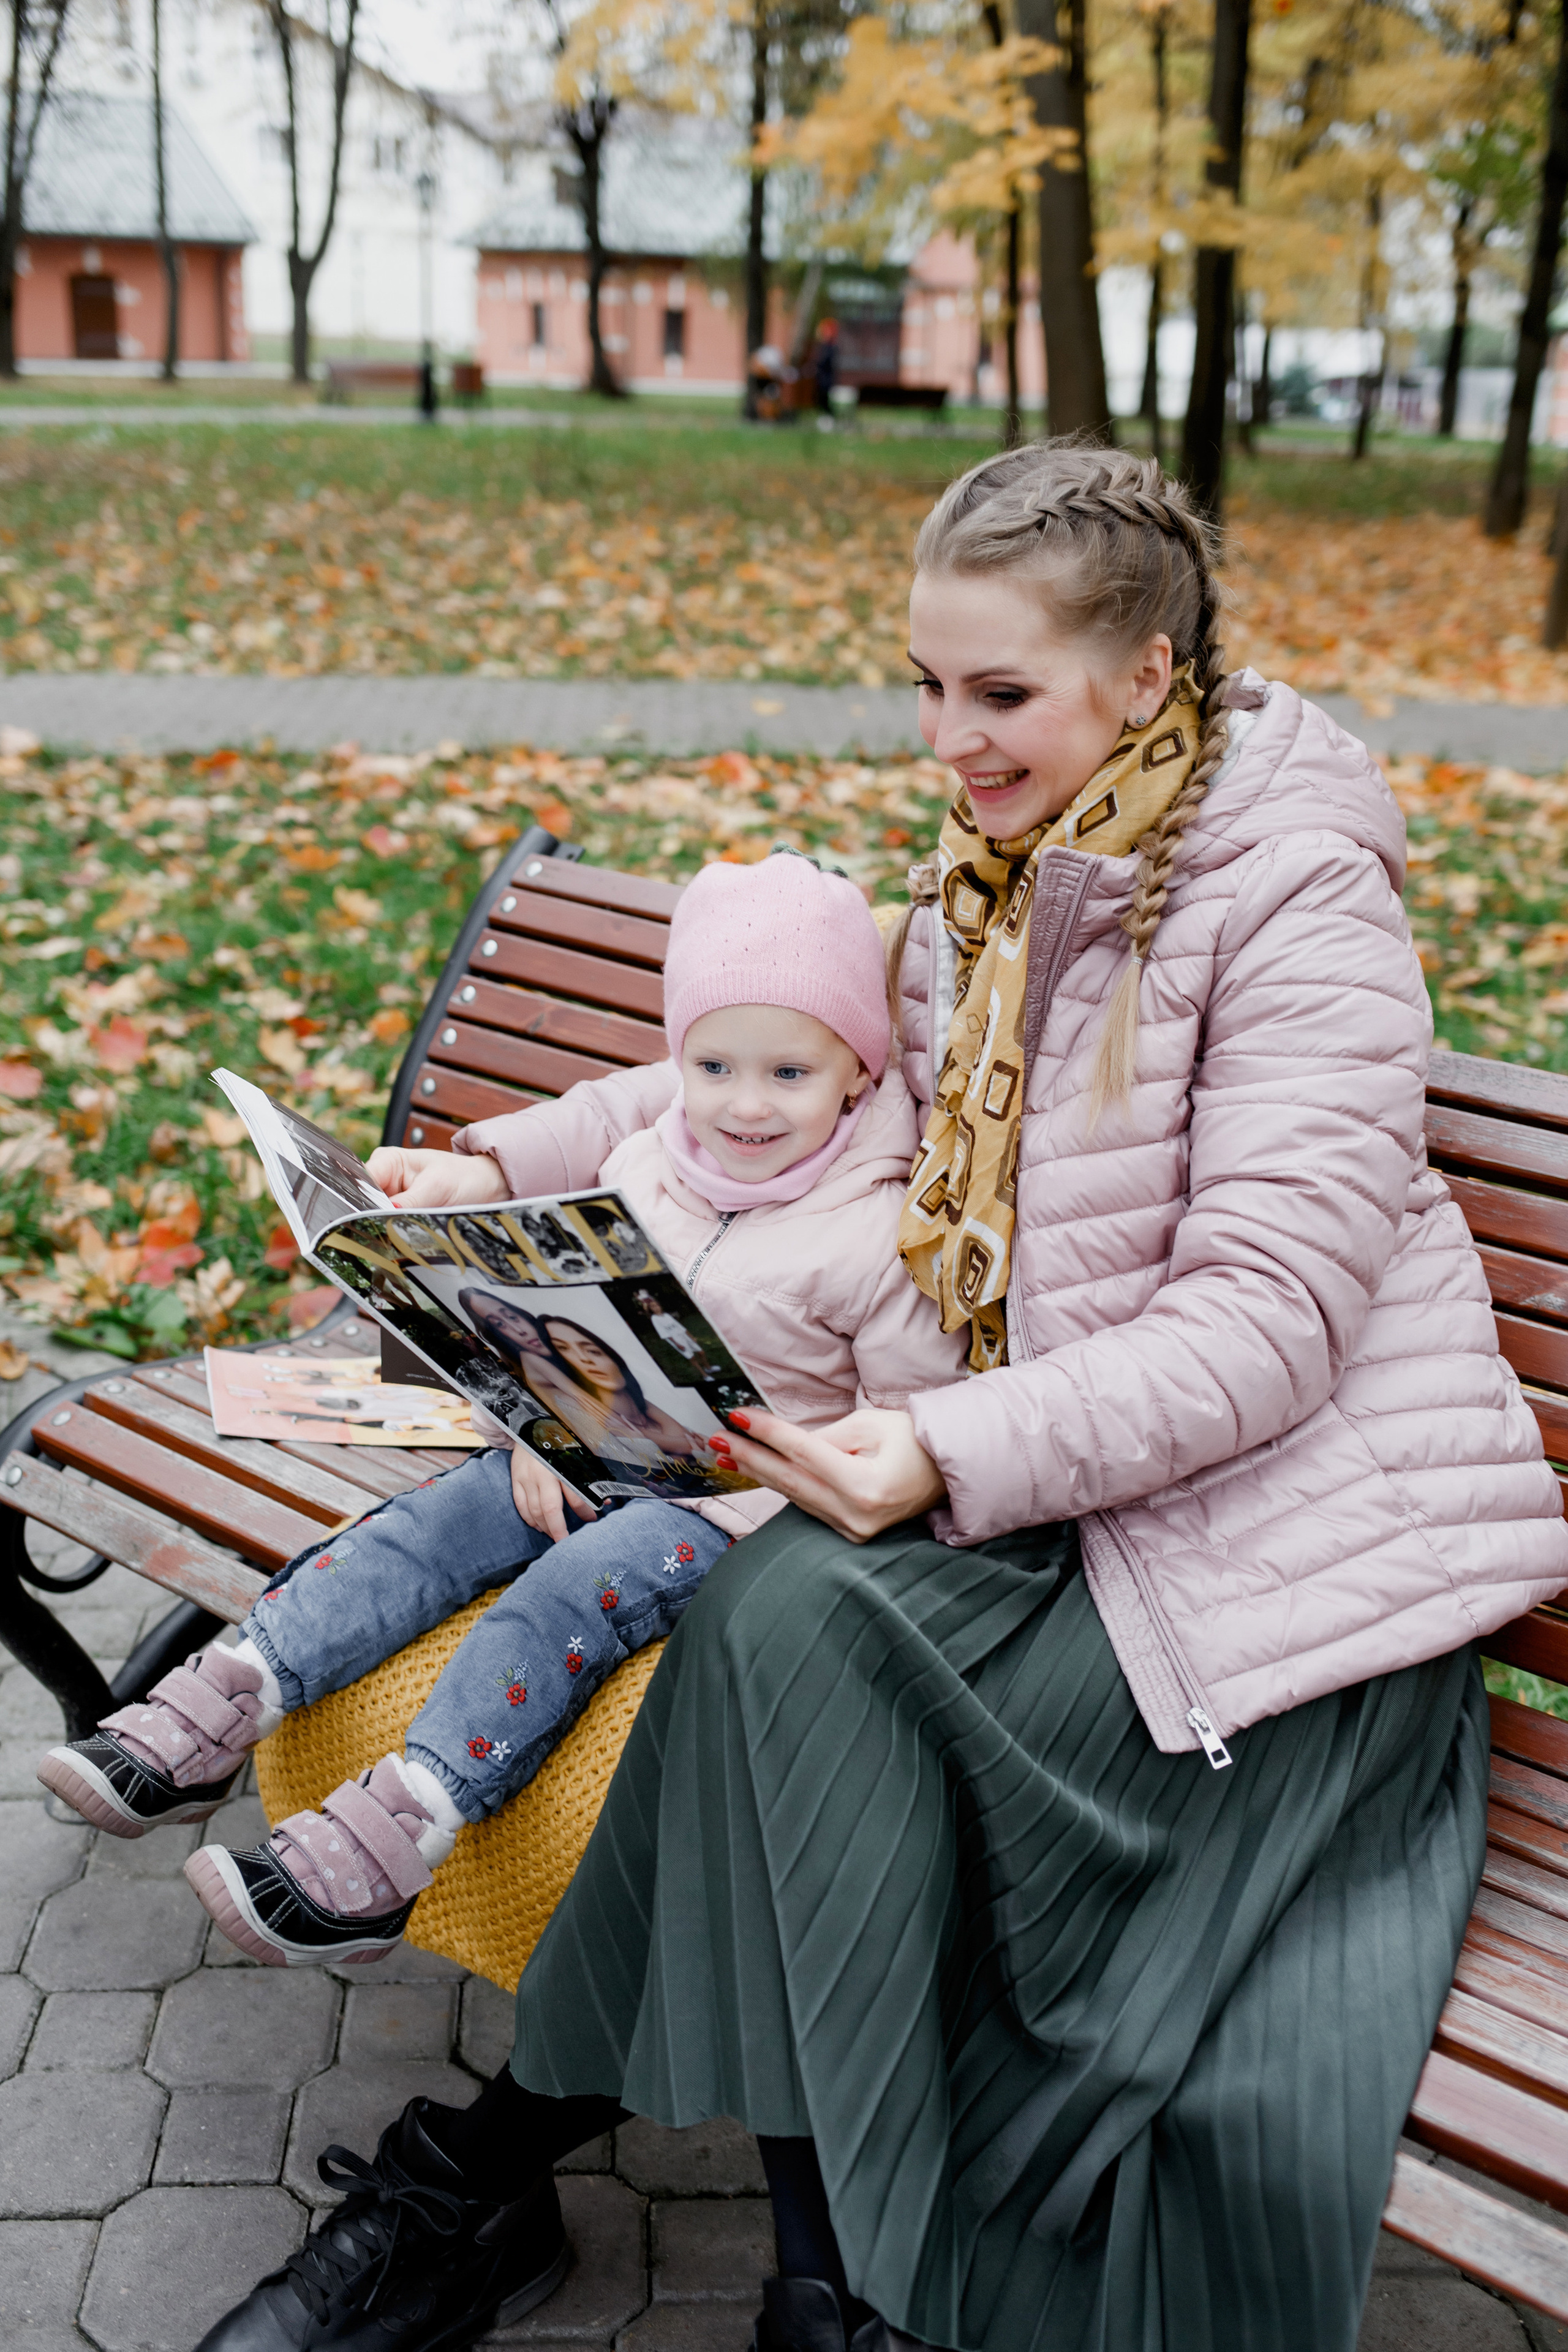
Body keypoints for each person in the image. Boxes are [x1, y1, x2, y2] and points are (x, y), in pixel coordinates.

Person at [187, 442, 1568, 2352]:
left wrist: (934, 1444)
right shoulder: (1001, 893)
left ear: (1147, 677)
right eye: (927, 684)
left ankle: (513, 2193)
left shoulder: (1299, 905)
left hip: (1271, 1596)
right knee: (773, 1624)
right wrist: (499, 1200)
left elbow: (1268, 1324)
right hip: (1065, 1505)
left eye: (999, 691)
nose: (949, 738)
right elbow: (734, 1110)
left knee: (782, 1649)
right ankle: (779, 2282)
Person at [37, 853, 965, 2000]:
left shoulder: (875, 1232)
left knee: (572, 1590)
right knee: (418, 1534)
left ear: (858, 1072)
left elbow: (908, 1420)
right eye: (714, 1064)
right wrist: (529, 1428)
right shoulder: (642, 1166)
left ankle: (395, 1840)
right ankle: (216, 1704)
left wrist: (789, 1481)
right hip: (584, 1447)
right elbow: (555, 1325)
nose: (744, 1103)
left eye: (789, 1070)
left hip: (738, 1513)